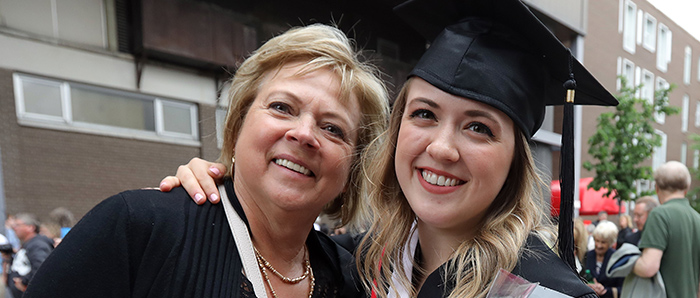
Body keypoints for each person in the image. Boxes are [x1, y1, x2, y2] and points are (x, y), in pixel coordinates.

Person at [162, 1, 619, 297]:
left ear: (515, 161)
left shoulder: (542, 293)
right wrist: (222, 188)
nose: (441, 148)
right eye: (424, 114)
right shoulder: (360, 266)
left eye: (478, 128)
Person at [22, 24, 390, 298]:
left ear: (352, 171)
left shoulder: (348, 278)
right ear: (238, 124)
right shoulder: (138, 229)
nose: (304, 134)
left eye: (333, 129)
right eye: (282, 108)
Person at [633, 161, 700, 298]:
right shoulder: (697, 218)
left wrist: (627, 262)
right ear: (686, 188)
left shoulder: (659, 215)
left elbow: (648, 267)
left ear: (657, 188)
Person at [7, 213, 53, 298]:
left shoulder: (37, 245)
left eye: (18, 225)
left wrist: (24, 282)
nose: (14, 228)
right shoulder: (27, 245)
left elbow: (41, 267)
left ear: (30, 227)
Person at [584, 220, 624, 297]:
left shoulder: (617, 259)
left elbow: (622, 289)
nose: (599, 245)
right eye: (597, 241)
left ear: (610, 243)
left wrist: (604, 290)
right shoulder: (588, 255)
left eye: (603, 242)